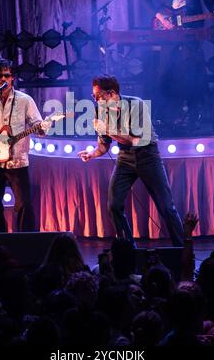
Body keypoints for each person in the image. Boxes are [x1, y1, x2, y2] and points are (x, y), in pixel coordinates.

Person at [78, 75, 184, 247]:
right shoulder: (101, 112)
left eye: (98, 96)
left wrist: (108, 129)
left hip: (147, 156)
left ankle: (182, 250)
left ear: (111, 93)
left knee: (166, 207)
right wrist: (93, 154)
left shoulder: (136, 105)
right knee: (114, 205)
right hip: (125, 159)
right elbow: (104, 146)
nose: (96, 100)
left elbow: (135, 140)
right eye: (93, 97)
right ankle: (128, 248)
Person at [0, 59, 47, 232]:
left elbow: (38, 124)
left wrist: (42, 129)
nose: (3, 79)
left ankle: (25, 244)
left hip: (18, 162)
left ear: (13, 78)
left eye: (7, 75)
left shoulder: (25, 100)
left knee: (24, 205)